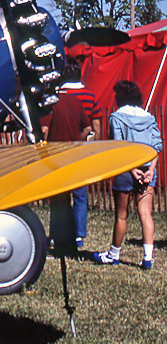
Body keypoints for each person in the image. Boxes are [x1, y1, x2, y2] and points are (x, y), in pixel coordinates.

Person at [94, 80, 162, 270]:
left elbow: (118, 146)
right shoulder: (149, 118)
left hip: (126, 170)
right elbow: (156, 146)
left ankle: (113, 254)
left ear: (121, 97)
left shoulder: (116, 117)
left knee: (122, 216)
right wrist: (150, 170)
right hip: (148, 168)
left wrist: (132, 169)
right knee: (146, 213)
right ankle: (148, 258)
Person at [41, 75, 94, 256]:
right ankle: (74, 237)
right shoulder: (76, 102)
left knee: (58, 201)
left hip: (56, 157)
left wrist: (42, 152)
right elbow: (87, 128)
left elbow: (44, 130)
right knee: (77, 197)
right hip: (74, 154)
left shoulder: (51, 104)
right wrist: (75, 142)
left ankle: (57, 237)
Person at [56, 58, 103, 249]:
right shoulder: (90, 96)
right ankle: (79, 234)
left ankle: (59, 232)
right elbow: (96, 127)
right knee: (80, 195)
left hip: (59, 150)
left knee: (59, 196)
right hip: (81, 151)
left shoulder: (57, 96)